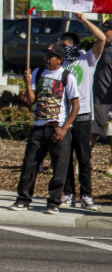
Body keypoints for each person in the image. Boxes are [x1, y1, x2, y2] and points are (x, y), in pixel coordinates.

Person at [10, 44, 80, 214]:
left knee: (59, 167)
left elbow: (75, 106)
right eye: (46, 55)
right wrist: (27, 84)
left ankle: (54, 202)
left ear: (60, 59)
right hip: (38, 128)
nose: (47, 59)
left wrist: (64, 128)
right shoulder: (38, 73)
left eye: (51, 56)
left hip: (57, 128)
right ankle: (23, 199)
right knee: (30, 164)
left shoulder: (67, 77)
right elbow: (30, 101)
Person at [59, 13, 104, 211]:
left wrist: (83, 20)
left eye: (66, 46)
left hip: (84, 116)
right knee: (66, 157)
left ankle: (86, 195)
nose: (62, 49)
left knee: (84, 158)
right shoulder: (61, 63)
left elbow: (101, 38)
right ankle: (68, 193)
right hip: (64, 117)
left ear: (74, 46)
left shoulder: (87, 59)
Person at [91, 19, 112, 175]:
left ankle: (111, 166)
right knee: (91, 133)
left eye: (107, 30)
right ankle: (81, 163)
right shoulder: (101, 49)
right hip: (95, 100)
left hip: (109, 101)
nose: (104, 33)